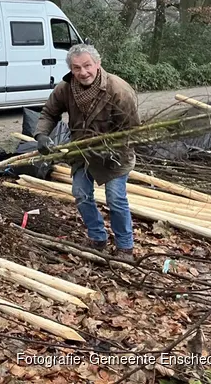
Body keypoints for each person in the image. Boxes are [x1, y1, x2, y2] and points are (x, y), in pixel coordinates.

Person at [33, 44, 140, 259]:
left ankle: (125, 246)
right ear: (71, 69)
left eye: (87, 66)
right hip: (81, 153)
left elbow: (133, 131)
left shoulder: (118, 90)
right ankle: (97, 237)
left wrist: (111, 150)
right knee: (81, 194)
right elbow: (48, 113)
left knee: (115, 199)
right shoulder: (65, 88)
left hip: (115, 156)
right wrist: (41, 136)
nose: (83, 72)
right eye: (77, 68)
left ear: (98, 64)